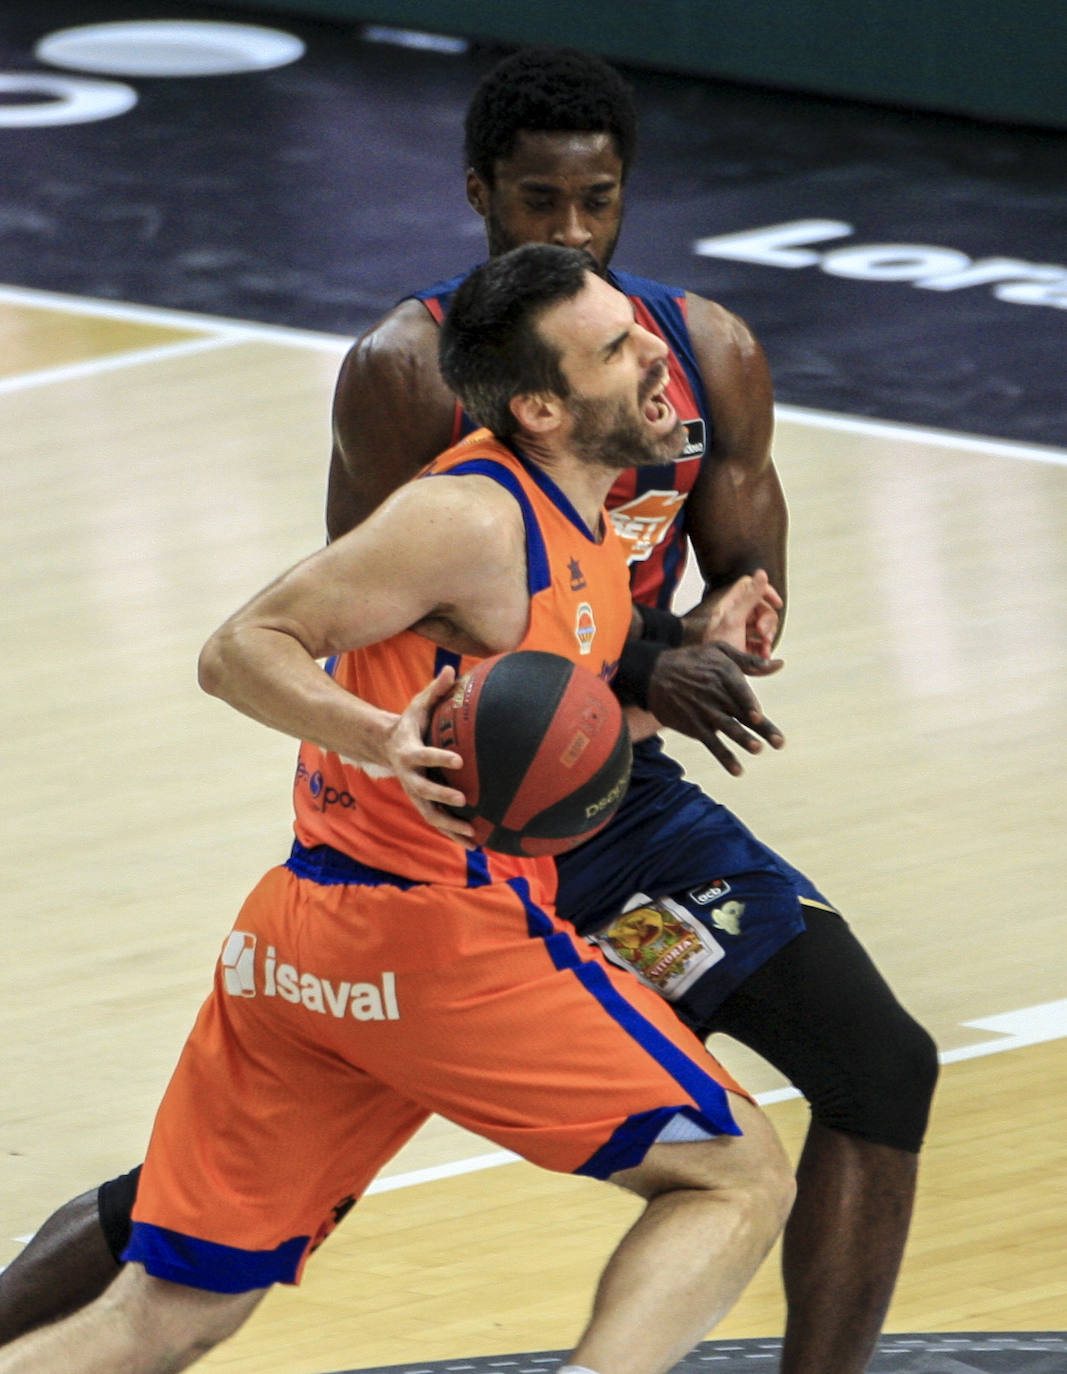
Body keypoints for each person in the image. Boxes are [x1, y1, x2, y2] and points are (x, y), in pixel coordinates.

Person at [0, 48, 938, 1374]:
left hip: (513, 844)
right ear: (482, 200)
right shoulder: (440, 434)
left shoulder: (662, 402)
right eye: (540, 208)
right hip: (456, 858)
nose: (573, 238)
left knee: (878, 1064)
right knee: (731, 1171)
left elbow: (686, 591)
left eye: (597, 207)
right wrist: (396, 732)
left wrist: (726, 621)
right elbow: (344, 636)